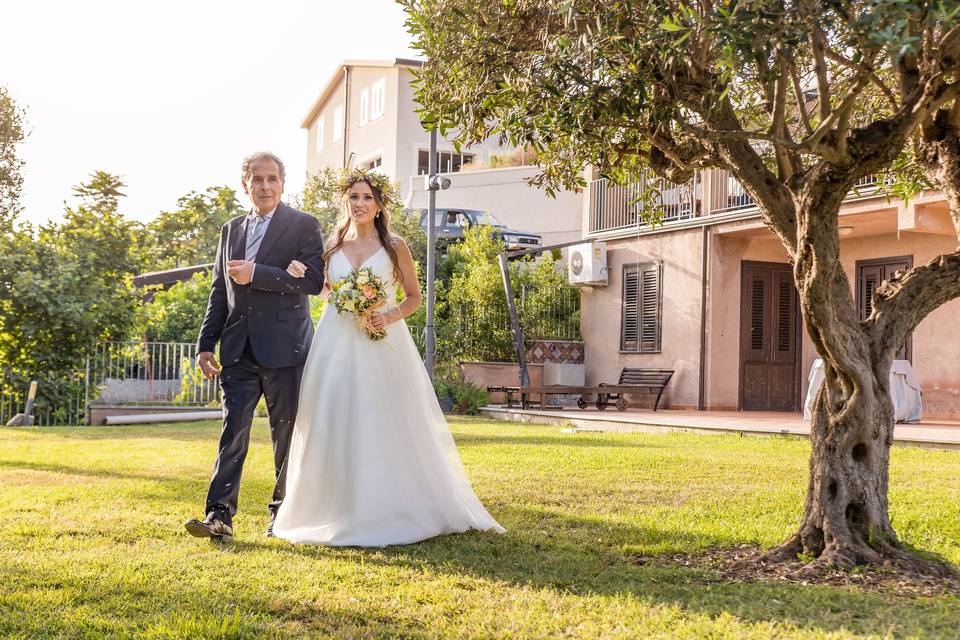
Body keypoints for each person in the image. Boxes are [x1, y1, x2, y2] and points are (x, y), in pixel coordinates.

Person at [271, 169, 504, 546]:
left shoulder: (395, 246)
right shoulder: (331, 246)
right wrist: (321, 286)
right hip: (336, 341)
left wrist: (386, 315)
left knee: (382, 416)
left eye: (367, 198)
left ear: (379, 205)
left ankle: (389, 505)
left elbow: (413, 296)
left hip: (381, 343)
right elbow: (325, 291)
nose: (360, 204)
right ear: (344, 203)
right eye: (353, 197)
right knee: (334, 414)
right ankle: (333, 508)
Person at [184, 151, 325, 543]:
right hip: (237, 349)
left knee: (286, 436)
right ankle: (218, 516)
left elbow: (313, 281)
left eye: (272, 179)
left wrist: (257, 274)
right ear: (245, 184)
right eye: (257, 179)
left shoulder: (303, 225)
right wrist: (205, 343)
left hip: (286, 349)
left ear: (283, 183)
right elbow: (219, 290)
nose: (265, 186)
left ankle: (282, 514)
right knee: (233, 432)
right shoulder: (230, 230)